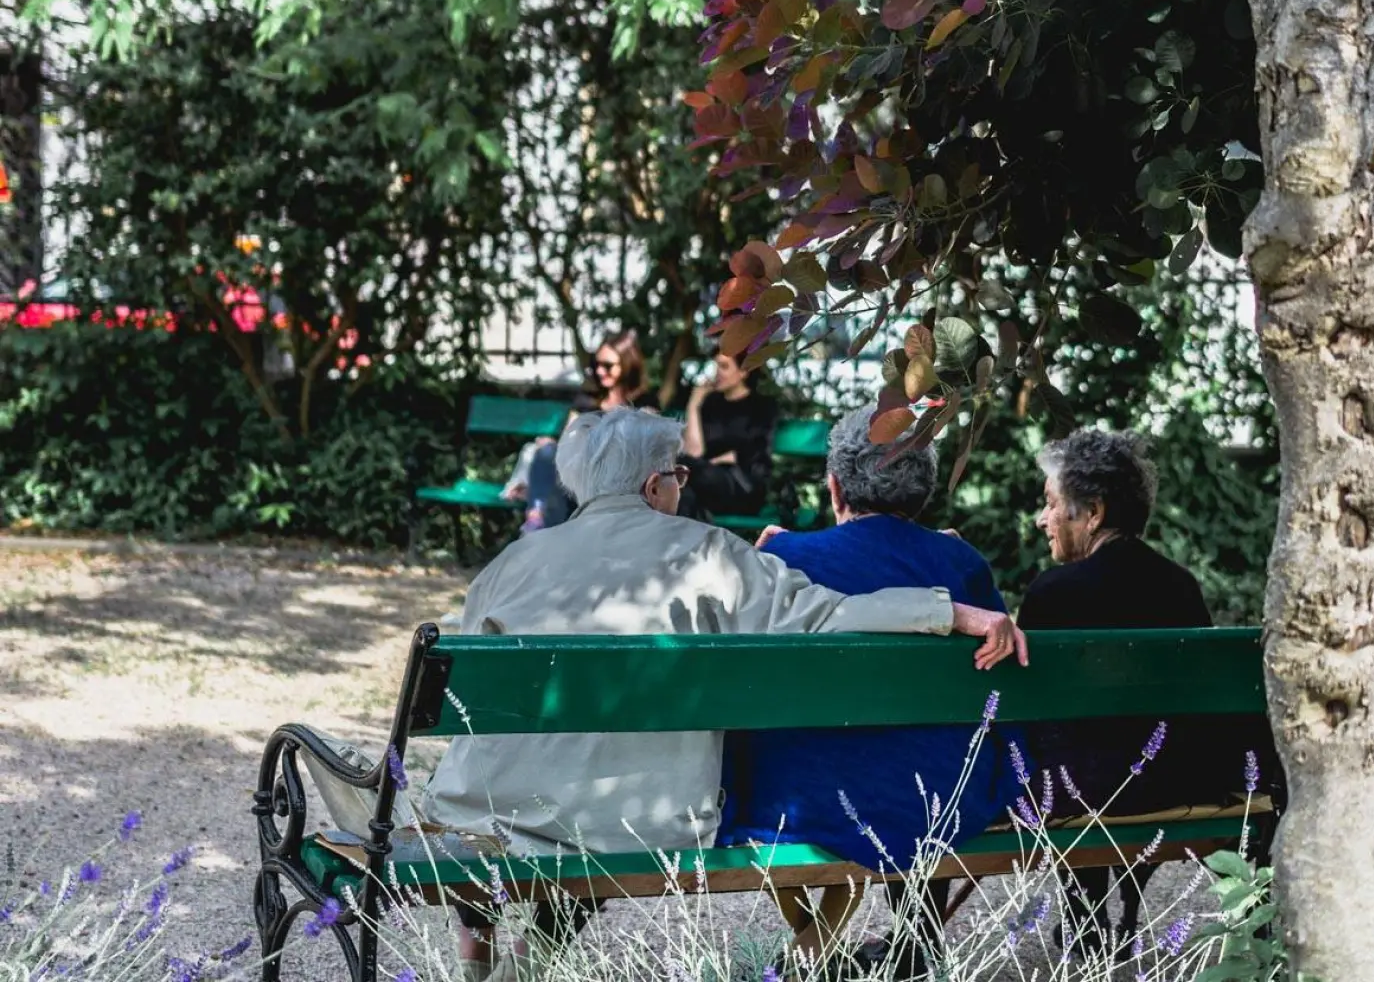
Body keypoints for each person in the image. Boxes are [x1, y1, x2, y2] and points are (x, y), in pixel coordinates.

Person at [319, 407, 1028, 982]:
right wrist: (949, 611)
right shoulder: (711, 553)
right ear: (657, 485)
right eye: (679, 476)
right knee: (585, 794)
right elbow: (826, 616)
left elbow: (473, 706)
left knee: (490, 789)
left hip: (500, 812)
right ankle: (512, 961)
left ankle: (481, 953)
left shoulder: (513, 562)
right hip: (654, 820)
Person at [718, 408, 1025, 961]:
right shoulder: (960, 563)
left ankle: (812, 944)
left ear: (835, 487)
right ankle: (894, 943)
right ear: (923, 492)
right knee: (931, 752)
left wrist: (768, 557)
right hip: (934, 798)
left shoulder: (787, 557)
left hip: (799, 799)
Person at [1017, 428, 1283, 951]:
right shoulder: (1179, 585)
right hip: (1178, 782)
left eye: (1051, 504)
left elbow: (1027, 713)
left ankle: (1085, 911)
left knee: (1073, 754)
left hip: (1080, 792)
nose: (1041, 519)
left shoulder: (1051, 593)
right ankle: (1114, 908)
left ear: (1093, 512)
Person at [504, 328, 656, 531]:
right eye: (597, 364)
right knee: (547, 453)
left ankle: (541, 534)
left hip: (613, 479)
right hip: (577, 470)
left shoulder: (644, 403)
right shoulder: (588, 398)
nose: (600, 371)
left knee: (560, 488)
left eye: (608, 366)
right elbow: (568, 440)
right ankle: (535, 518)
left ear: (628, 365)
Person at [677, 350, 778, 519]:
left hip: (742, 485)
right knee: (684, 493)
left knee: (686, 478)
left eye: (724, 366)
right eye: (716, 366)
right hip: (704, 480)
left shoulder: (762, 406)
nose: (717, 372)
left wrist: (710, 462)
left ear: (743, 371)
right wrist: (694, 406)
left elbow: (752, 452)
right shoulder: (710, 404)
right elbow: (694, 452)